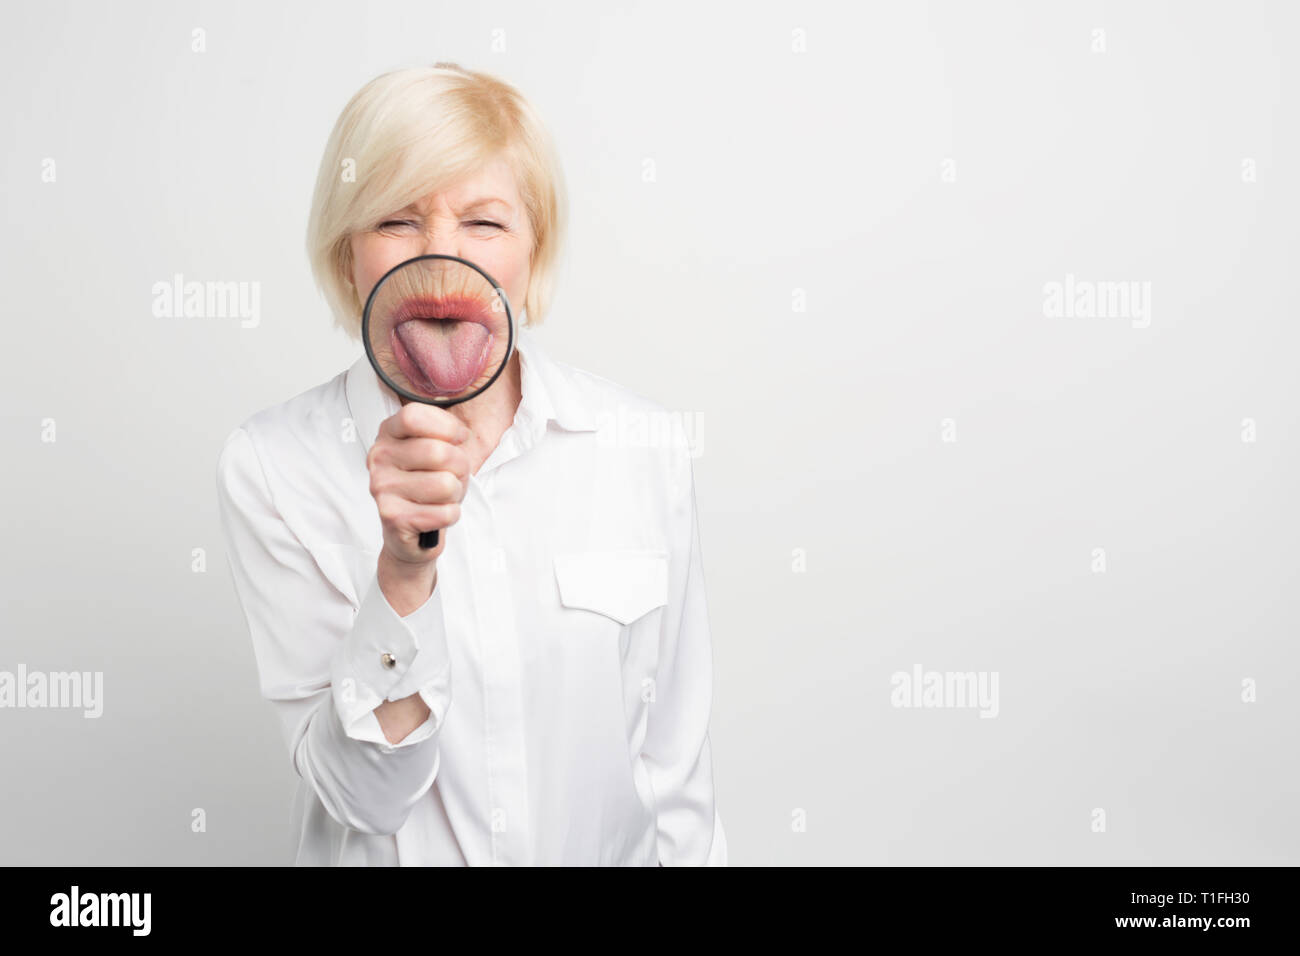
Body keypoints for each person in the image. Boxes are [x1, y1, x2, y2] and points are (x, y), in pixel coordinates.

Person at [215, 63, 726, 865]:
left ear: (533, 253)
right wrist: (402, 576)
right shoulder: (275, 465)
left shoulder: (643, 446)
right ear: (346, 253)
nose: (442, 254)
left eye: (485, 224)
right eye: (396, 219)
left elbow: (673, 775)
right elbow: (362, 800)